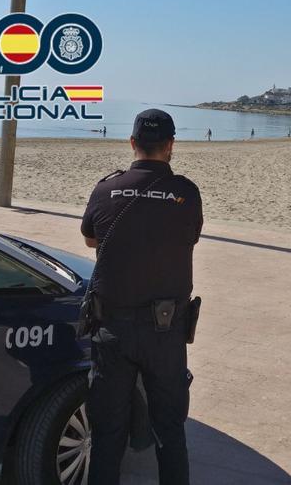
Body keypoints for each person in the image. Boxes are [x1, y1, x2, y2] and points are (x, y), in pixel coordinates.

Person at [81, 108, 203, 485]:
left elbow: (90, 238)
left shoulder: (105, 189)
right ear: (170, 146)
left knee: (108, 433)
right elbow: (190, 237)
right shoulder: (185, 193)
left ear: (133, 143)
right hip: (164, 332)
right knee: (169, 431)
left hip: (112, 328)